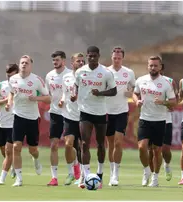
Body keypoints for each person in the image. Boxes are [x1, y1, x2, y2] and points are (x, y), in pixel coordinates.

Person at [73, 46, 117, 188]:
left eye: (94, 56)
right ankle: (85, 177)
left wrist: (101, 93)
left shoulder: (106, 72)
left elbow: (114, 91)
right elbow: (76, 86)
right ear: (87, 56)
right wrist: (74, 94)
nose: (92, 58)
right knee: (84, 143)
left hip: (100, 112)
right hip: (85, 111)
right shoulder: (80, 72)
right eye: (89, 56)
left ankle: (99, 174)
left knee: (100, 144)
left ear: (98, 56)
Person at [6, 55, 50, 187]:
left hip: (32, 119)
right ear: (19, 65)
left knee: (33, 150)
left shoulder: (37, 80)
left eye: (26, 63)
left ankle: (36, 159)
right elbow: (12, 92)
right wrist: (9, 102)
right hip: (18, 116)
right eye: (22, 63)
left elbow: (48, 98)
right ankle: (19, 179)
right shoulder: (13, 79)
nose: (24, 65)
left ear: (31, 65)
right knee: (16, 147)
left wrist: (36, 99)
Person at [133, 56, 176, 187]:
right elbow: (135, 93)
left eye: (155, 65)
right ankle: (146, 171)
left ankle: (155, 178)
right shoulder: (141, 80)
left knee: (157, 150)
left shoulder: (166, 83)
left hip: (160, 120)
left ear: (160, 67)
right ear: (148, 66)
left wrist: (163, 102)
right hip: (145, 119)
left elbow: (173, 102)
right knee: (142, 147)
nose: (153, 68)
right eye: (151, 65)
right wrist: (137, 101)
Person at [105, 47, 136, 186]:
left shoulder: (128, 72)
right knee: (110, 143)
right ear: (111, 58)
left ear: (122, 58)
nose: (116, 60)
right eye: (114, 58)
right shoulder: (105, 71)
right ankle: (111, 172)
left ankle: (116, 174)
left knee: (118, 142)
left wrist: (131, 93)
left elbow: (134, 88)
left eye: (119, 58)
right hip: (106, 111)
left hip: (122, 111)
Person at [45, 51, 75, 186]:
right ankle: (54, 177)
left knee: (70, 145)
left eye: (57, 60)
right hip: (55, 113)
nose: (55, 62)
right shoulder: (49, 76)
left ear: (63, 60)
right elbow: (48, 94)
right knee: (54, 145)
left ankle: (72, 172)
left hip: (69, 113)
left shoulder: (70, 74)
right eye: (53, 60)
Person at [0, 63, 19, 184]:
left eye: (12, 75)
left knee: (8, 150)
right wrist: (6, 100)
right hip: (2, 123)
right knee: (3, 151)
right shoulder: (1, 85)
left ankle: (2, 178)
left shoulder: (21, 85)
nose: (10, 78)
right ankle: (11, 165)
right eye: (8, 76)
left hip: (15, 122)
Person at [58, 53, 85, 186]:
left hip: (84, 116)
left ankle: (83, 175)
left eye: (82, 61)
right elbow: (65, 92)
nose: (81, 63)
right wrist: (62, 100)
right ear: (72, 63)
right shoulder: (66, 77)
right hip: (69, 115)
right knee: (68, 144)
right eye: (78, 61)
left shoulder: (86, 76)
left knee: (82, 147)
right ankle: (71, 172)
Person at [148, 64, 178, 181]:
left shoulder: (170, 82)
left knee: (165, 149)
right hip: (151, 118)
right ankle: (152, 175)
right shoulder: (146, 81)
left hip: (166, 119)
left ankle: (167, 165)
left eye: (158, 67)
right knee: (151, 150)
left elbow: (176, 99)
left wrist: (166, 103)